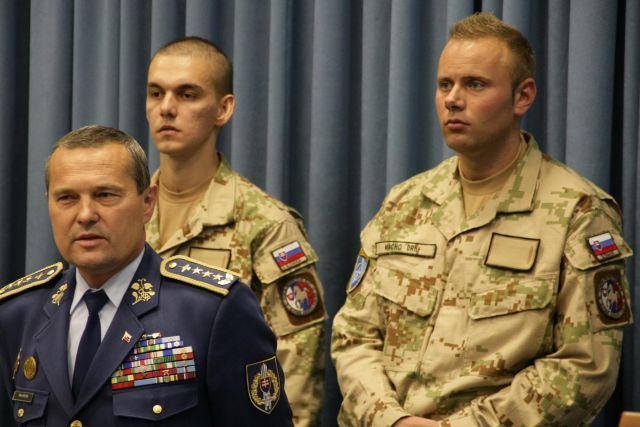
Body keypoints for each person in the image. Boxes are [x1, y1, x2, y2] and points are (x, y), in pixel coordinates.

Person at [331, 12, 633, 427]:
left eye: (475, 84)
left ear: (522, 96)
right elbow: (354, 335)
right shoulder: (404, 202)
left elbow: (585, 366)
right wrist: (390, 420)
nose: (453, 99)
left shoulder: (577, 211)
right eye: (445, 85)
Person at [0, 125, 292, 426]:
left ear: (147, 203)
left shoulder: (213, 311)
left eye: (105, 195)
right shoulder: (19, 313)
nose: (85, 214)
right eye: (67, 198)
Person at [144, 37, 326, 426]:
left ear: (223, 109)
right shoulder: (124, 212)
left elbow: (294, 372)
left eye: (187, 94)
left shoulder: (266, 225)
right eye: (156, 93)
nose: (167, 108)